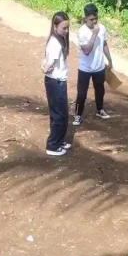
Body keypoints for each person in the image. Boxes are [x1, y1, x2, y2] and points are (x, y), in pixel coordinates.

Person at [74, 3, 113, 125]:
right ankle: (78, 115)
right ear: (85, 18)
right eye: (91, 19)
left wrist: (110, 60)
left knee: (100, 90)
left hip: (99, 67)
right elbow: (86, 50)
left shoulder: (102, 28)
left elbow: (104, 44)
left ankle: (99, 110)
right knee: (81, 94)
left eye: (96, 18)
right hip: (85, 68)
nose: (94, 21)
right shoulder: (82, 32)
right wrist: (95, 34)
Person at [42, 11, 73, 157]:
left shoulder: (59, 39)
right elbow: (48, 65)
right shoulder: (54, 43)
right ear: (55, 27)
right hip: (55, 82)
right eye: (63, 28)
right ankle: (52, 145)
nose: (66, 31)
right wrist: (45, 67)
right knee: (59, 115)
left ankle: (59, 140)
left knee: (62, 114)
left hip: (59, 81)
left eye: (67, 28)